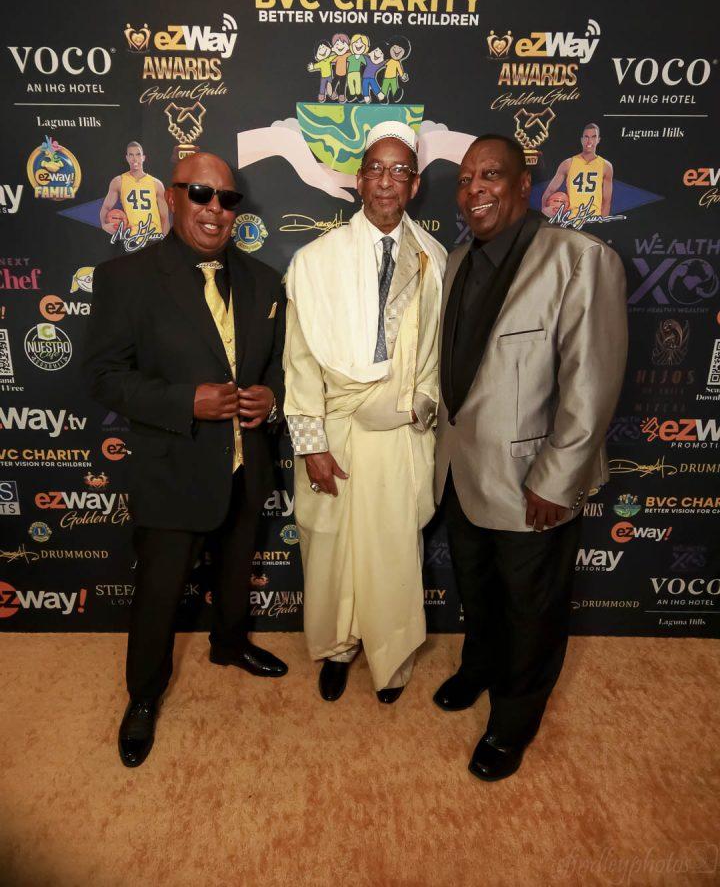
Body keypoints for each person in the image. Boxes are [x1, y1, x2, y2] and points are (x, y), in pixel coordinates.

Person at [84, 152, 287, 768]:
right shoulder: (125, 278)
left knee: (236, 569)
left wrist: (273, 397)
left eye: (227, 199)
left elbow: (281, 364)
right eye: (201, 194)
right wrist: (184, 401)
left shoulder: (264, 280)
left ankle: (229, 642)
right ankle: (144, 695)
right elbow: (102, 376)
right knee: (159, 593)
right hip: (172, 467)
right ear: (172, 197)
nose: (215, 209)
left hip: (246, 463)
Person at [434, 134, 627, 781]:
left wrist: (558, 480)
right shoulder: (456, 261)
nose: (474, 189)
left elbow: (591, 385)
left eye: (490, 175)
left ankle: (513, 722)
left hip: (534, 484)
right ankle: (479, 667)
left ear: (524, 184)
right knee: (478, 592)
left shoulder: (580, 258)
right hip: (462, 472)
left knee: (531, 610)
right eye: (465, 179)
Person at [283, 120, 447, 703]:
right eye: (375, 169)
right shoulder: (316, 260)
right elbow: (300, 361)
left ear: (415, 184)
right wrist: (312, 445)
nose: (385, 181)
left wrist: (418, 407)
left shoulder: (433, 258)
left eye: (399, 171)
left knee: (391, 554)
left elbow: (436, 355)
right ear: (358, 180)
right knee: (331, 550)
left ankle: (391, 657)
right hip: (336, 430)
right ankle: (337, 648)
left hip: (400, 435)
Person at [99, 141, 170, 242]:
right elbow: (106, 207)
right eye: (131, 155)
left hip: (154, 236)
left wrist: (165, 241)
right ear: (127, 158)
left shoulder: (156, 184)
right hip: (132, 239)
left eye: (138, 154)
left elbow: (165, 217)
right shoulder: (118, 181)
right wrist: (104, 225)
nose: (135, 159)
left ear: (143, 157)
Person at [541, 122, 614, 220]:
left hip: (593, 218)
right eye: (586, 137)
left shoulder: (606, 166)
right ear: (582, 140)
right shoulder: (567, 164)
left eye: (593, 137)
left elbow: (606, 201)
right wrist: (543, 209)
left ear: (598, 140)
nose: (589, 141)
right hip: (571, 220)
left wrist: (601, 224)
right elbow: (550, 190)